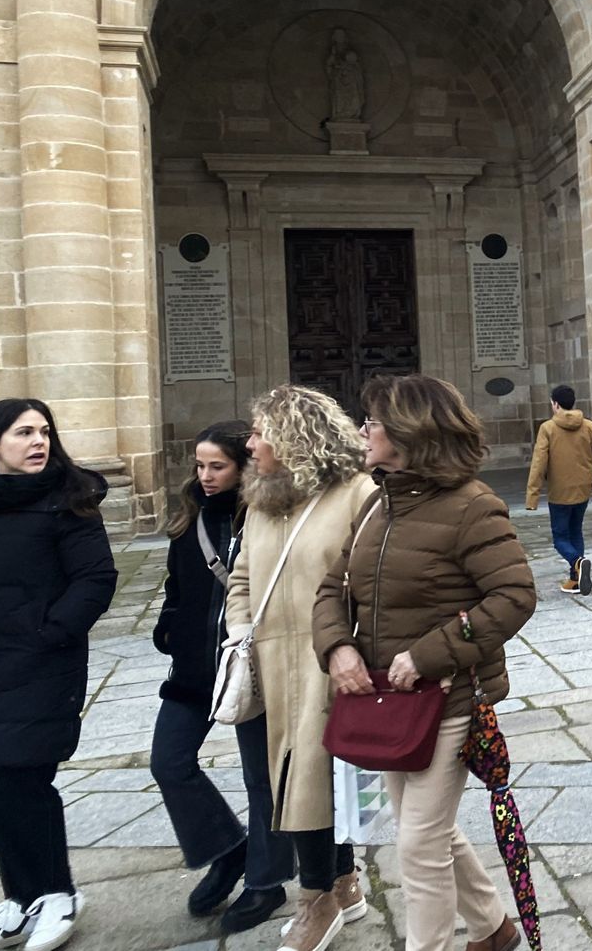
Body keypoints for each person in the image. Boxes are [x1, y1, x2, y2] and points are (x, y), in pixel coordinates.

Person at [314, 374, 537, 951]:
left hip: (450, 699)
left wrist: (429, 654)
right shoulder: (377, 504)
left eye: (373, 422)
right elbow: (334, 587)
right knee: (427, 831)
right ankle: (492, 928)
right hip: (392, 703)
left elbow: (514, 595)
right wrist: (337, 646)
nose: (363, 431)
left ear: (408, 432)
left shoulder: (472, 506)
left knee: (418, 843)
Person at [0, 399, 117, 951]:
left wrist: (48, 633)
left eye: (44, 431)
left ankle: (57, 895)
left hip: (39, 663)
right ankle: (19, 900)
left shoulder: (69, 499)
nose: (39, 442)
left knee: (26, 777)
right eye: (24, 432)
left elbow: (95, 579)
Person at [223, 385, 375, 951]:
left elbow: (373, 577)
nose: (250, 444)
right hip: (270, 662)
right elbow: (241, 578)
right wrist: (240, 630)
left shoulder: (357, 494)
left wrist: (349, 645)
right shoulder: (260, 502)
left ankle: (316, 902)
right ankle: (344, 881)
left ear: (295, 438)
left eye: (260, 432)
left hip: (330, 658)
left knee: (310, 778)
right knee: (297, 778)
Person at [150, 421, 295, 932]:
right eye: (200, 466)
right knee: (169, 761)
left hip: (252, 665)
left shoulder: (267, 516)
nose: (205, 476)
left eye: (218, 466)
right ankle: (227, 849)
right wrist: (169, 629)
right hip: (194, 669)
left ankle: (266, 881)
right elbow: (176, 586)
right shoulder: (190, 517)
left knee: (262, 779)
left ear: (244, 466)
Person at [524, 384, 592, 595]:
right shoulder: (589, 426)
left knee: (560, 538)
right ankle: (575, 580)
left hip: (559, 492)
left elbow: (538, 463)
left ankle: (577, 562)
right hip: (583, 490)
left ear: (555, 404)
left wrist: (532, 496)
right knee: (575, 531)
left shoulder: (548, 428)